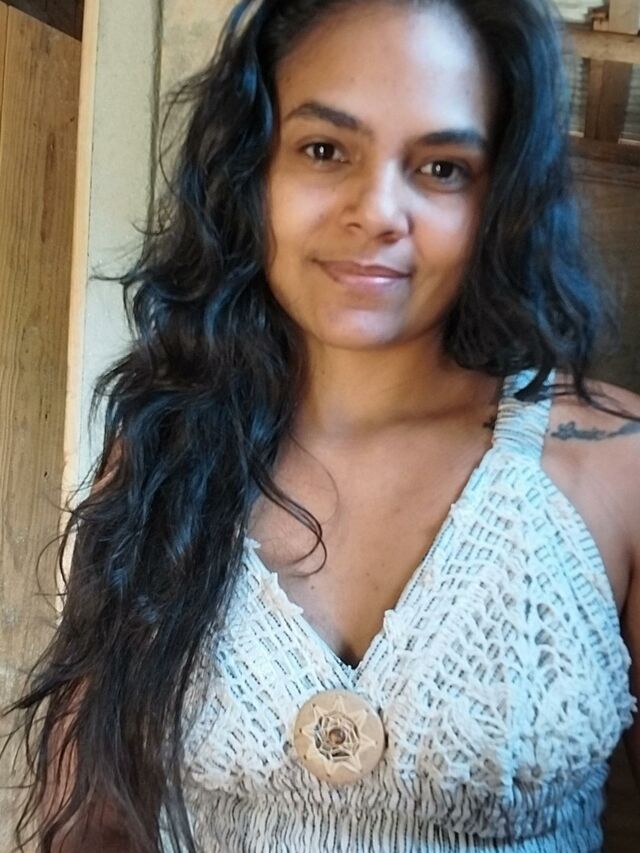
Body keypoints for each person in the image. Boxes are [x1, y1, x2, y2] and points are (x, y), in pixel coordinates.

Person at [4, 0, 640, 850]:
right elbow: (92, 818)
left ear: (500, 198)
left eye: (442, 167)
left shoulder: (616, 464)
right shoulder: (164, 445)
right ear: (251, 168)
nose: (377, 210)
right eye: (325, 149)